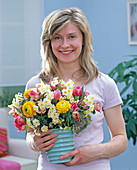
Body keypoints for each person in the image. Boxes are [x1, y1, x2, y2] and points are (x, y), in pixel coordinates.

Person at [25, 7, 128, 170]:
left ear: (83, 39)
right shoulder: (35, 85)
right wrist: (34, 143)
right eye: (57, 37)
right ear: (48, 42)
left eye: (71, 36)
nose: (65, 45)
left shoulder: (104, 84)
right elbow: (30, 134)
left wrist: (97, 151)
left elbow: (121, 139)